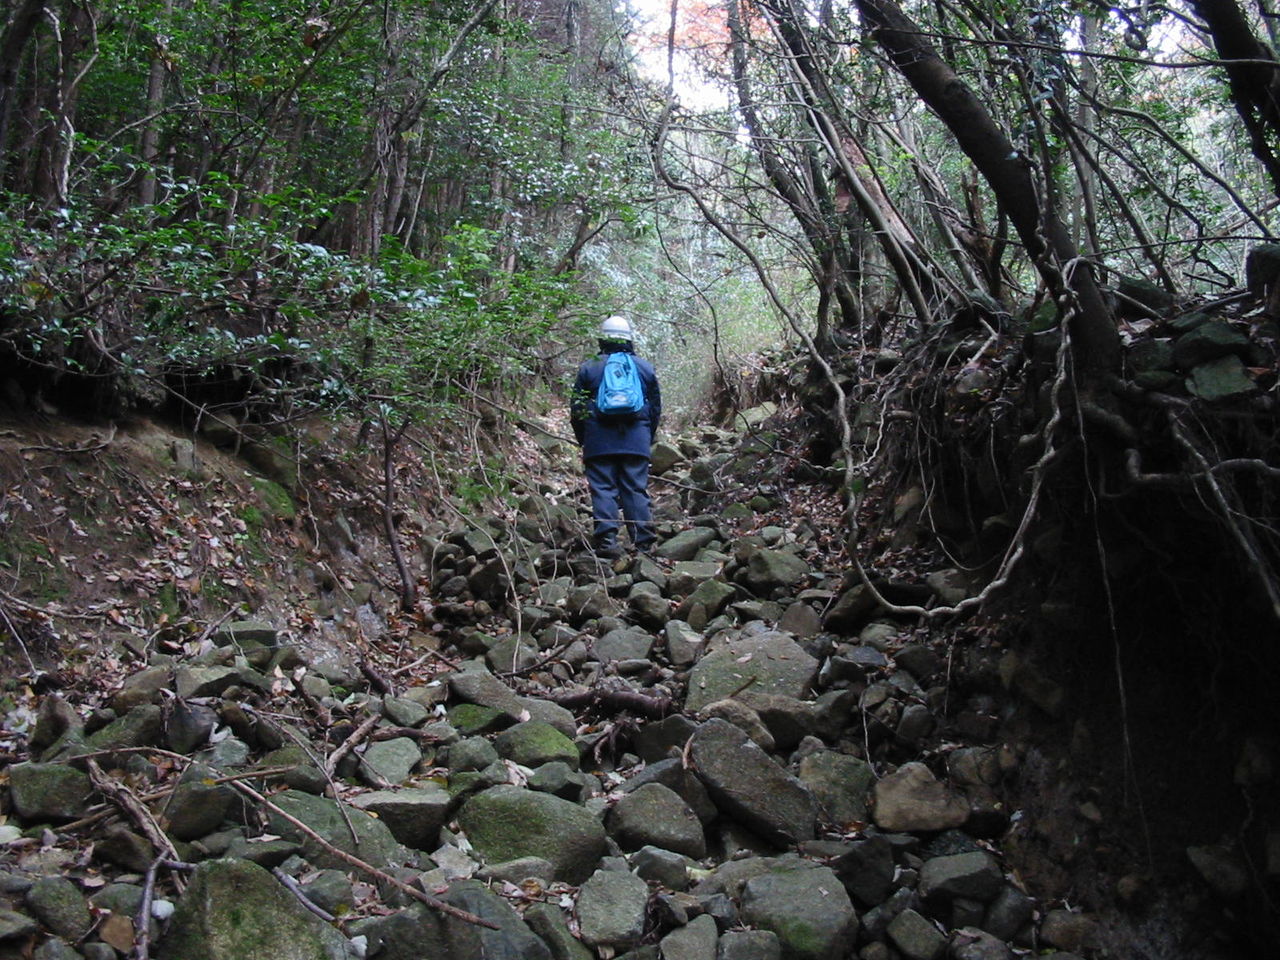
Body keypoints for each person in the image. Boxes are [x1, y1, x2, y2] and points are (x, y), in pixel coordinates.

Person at [570, 315, 662, 558]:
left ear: (603, 338)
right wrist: (646, 438)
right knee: (635, 488)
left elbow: (577, 409)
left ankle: (607, 542)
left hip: (598, 441)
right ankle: (644, 544)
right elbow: (654, 410)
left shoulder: (589, 367)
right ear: (629, 339)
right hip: (636, 440)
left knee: (603, 489)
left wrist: (584, 440)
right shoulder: (644, 368)